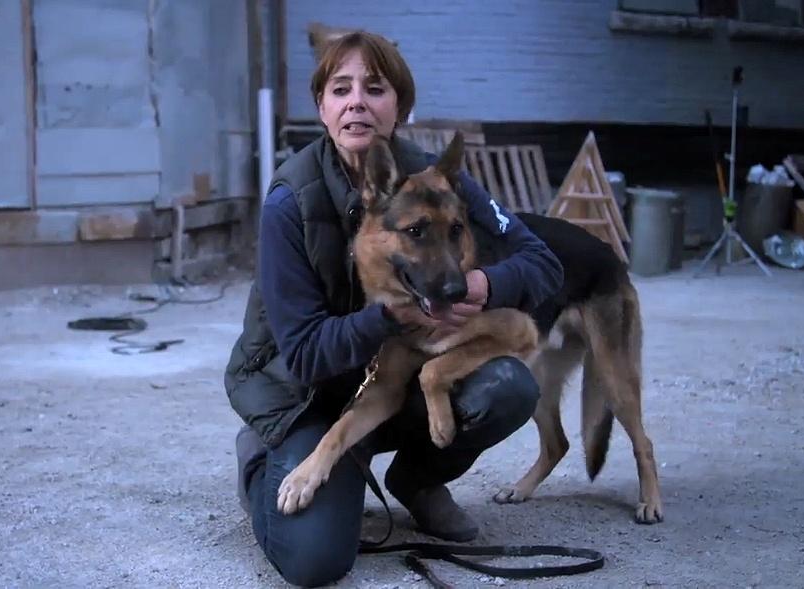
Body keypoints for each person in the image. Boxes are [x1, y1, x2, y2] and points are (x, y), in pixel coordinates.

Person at [224, 30, 564, 588]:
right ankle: (264, 461)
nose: (357, 100)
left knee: (507, 387)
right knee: (315, 561)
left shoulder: (438, 180)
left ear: (399, 107)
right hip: (306, 394)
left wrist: (484, 282)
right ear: (322, 107)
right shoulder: (291, 201)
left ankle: (419, 480)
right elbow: (306, 356)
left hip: (390, 380)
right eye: (340, 88)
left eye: (375, 88)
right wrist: (394, 316)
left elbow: (542, 262)